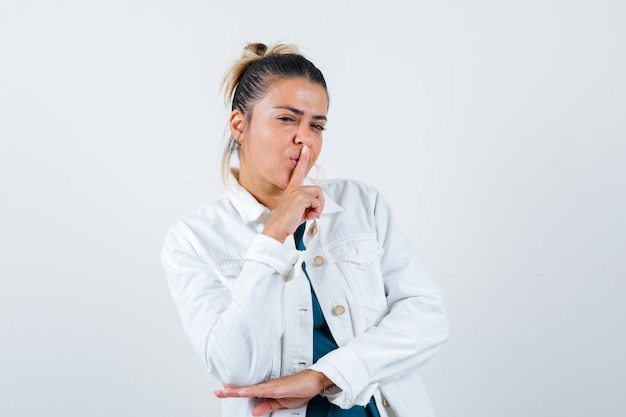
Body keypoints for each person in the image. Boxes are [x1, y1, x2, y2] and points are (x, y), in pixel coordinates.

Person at [161, 42, 449, 417]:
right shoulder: (194, 239)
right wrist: (275, 234)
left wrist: (323, 375)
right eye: (286, 119)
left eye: (317, 125)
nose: (305, 138)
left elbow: (426, 316)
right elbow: (234, 366)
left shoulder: (362, 204)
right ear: (239, 125)